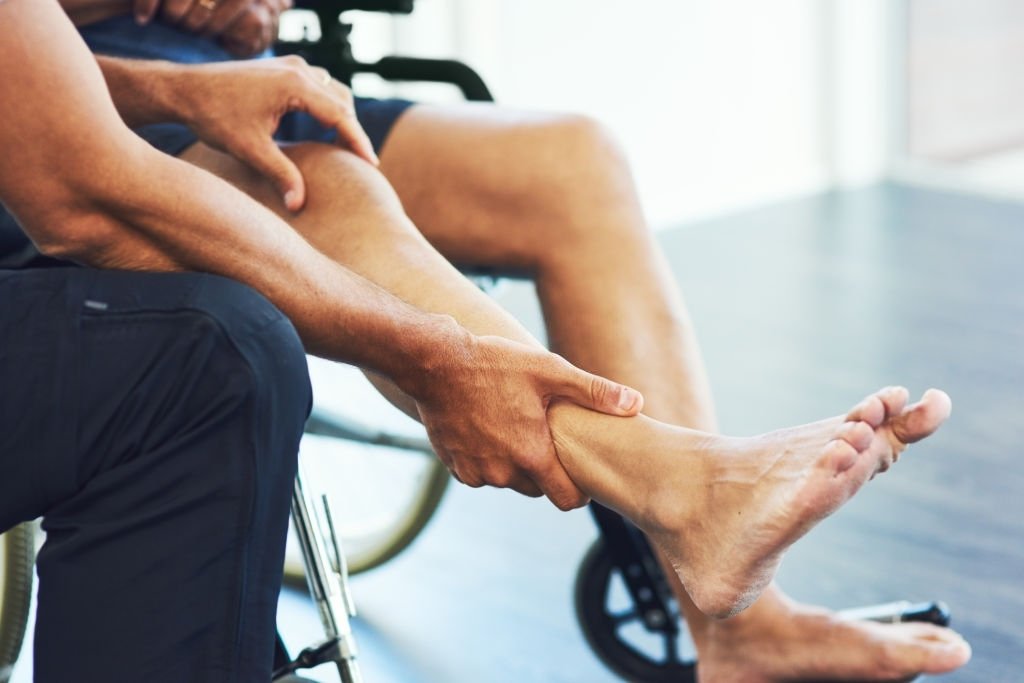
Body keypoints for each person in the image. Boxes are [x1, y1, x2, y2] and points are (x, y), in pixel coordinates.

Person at [0, 1, 970, 681]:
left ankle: (735, 620)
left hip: (153, 69)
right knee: (309, 191)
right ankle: (683, 487)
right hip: (68, 105)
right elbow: (69, 167)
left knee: (571, 160)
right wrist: (440, 356)